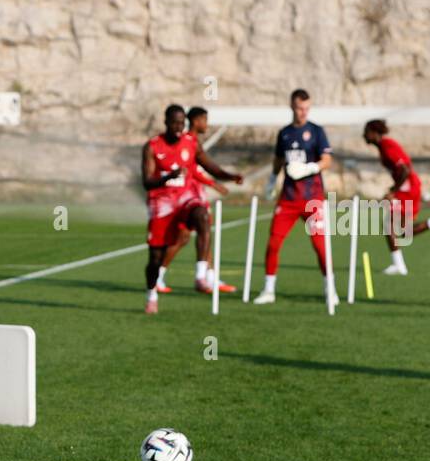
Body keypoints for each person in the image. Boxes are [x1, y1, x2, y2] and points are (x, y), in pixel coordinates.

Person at [141, 104, 242, 314]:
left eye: (182, 123)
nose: (179, 127)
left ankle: (201, 275)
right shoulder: (152, 147)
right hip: (162, 205)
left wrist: (229, 176)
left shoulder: (190, 143)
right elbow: (147, 182)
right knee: (155, 259)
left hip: (186, 199)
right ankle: (152, 293)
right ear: (166, 122)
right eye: (175, 123)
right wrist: (168, 177)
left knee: (202, 216)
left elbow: (208, 165)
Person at [254, 89, 334, 305]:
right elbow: (279, 159)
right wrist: (272, 179)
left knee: (320, 246)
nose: (303, 112)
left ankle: (330, 288)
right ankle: (269, 289)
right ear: (292, 106)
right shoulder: (285, 133)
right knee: (273, 243)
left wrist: (309, 168)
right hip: (288, 199)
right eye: (300, 108)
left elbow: (327, 160)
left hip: (313, 198)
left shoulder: (317, 131)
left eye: (307, 108)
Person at [362, 119, 430, 277]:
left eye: (366, 131)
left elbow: (405, 170)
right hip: (407, 188)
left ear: (374, 133)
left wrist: (393, 191)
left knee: (390, 226)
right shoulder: (383, 147)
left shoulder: (387, 146)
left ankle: (399, 265)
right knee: (402, 231)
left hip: (408, 190)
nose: (364, 135)